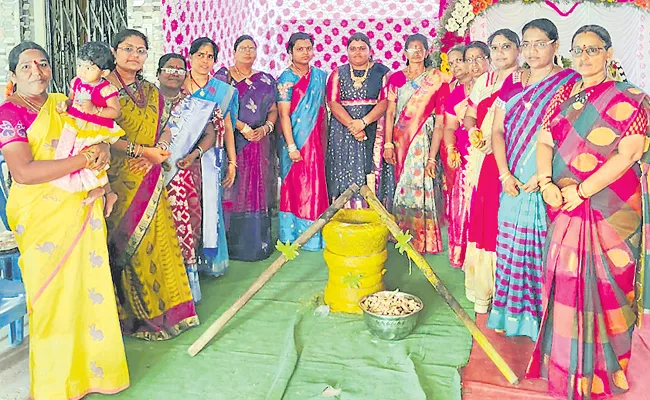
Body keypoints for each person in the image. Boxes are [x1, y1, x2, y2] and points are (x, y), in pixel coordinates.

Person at [0, 41, 129, 399]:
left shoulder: (65, 102)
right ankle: (55, 385)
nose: (37, 72)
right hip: (41, 215)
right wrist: (87, 160)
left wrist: (101, 153)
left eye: (42, 64)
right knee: (51, 300)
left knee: (88, 289)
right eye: (26, 67)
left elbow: (97, 132)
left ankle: (93, 375)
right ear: (13, 75)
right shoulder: (8, 113)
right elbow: (24, 172)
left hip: (81, 205)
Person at [528, 25, 649, 399]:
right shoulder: (563, 94)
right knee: (564, 280)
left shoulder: (632, 98)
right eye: (578, 50)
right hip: (564, 202)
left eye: (592, 50)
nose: (584, 57)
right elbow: (545, 140)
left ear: (609, 54)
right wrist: (547, 182)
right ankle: (567, 369)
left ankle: (610, 369)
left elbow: (628, 154)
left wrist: (582, 190)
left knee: (610, 285)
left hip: (610, 207)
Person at [488, 19, 580, 340]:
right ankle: (511, 316)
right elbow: (497, 130)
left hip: (547, 181)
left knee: (543, 247)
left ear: (555, 45)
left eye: (540, 43)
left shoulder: (570, 82)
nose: (531, 51)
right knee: (510, 245)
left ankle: (542, 320)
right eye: (526, 44)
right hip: (510, 178)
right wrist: (504, 173)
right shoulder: (513, 80)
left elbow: (572, 136)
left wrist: (544, 177)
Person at [105, 29, 199, 340]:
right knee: (130, 248)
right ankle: (135, 318)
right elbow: (100, 135)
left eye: (141, 50)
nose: (134, 55)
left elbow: (168, 127)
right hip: (119, 179)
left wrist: (156, 151)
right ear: (115, 51)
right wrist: (141, 152)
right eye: (128, 48)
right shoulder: (102, 90)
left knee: (158, 243)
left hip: (150, 174)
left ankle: (167, 313)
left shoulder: (151, 90)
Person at [171, 37, 238, 281]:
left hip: (210, 158)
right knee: (184, 209)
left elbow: (228, 127)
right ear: (190, 56)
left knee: (209, 205)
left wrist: (232, 162)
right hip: (178, 157)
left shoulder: (222, 90)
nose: (205, 60)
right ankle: (185, 263)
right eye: (200, 54)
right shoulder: (177, 84)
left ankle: (208, 261)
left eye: (210, 56)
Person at [463, 32, 520, 313]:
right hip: (483, 162)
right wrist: (474, 130)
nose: (499, 53)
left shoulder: (524, 80)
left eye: (505, 47)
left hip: (512, 161)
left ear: (518, 50)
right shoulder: (484, 81)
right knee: (484, 218)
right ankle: (484, 290)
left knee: (505, 220)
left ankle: (508, 292)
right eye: (495, 48)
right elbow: (469, 113)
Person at [383, 33, 450, 254]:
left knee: (423, 185)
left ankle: (424, 240)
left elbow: (441, 119)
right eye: (412, 48)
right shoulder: (395, 79)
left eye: (421, 47)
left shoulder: (437, 78)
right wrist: (388, 144)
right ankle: (403, 236)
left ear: (427, 51)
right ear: (405, 53)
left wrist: (432, 156)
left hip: (424, 138)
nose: (417, 52)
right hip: (400, 140)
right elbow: (390, 112)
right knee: (402, 186)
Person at [215, 35, 278, 262]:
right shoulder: (223, 77)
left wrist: (267, 128)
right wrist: (242, 127)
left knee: (257, 189)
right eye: (243, 48)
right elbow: (217, 108)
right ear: (233, 52)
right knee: (232, 188)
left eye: (252, 48)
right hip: (233, 141)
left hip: (259, 143)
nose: (248, 52)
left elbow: (273, 109)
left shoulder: (265, 80)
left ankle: (257, 244)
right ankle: (231, 245)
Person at [53, 41, 122, 215]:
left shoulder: (106, 89)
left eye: (89, 68)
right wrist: (66, 105)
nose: (82, 70)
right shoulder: (78, 82)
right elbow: (74, 100)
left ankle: (100, 189)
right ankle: (104, 191)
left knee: (89, 157)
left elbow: (115, 112)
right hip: (76, 123)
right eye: (80, 65)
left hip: (94, 127)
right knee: (67, 155)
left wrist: (95, 110)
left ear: (104, 72)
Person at [325, 32, 392, 209]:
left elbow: (385, 101)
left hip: (374, 127)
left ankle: (373, 217)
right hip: (343, 131)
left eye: (362, 48)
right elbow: (332, 102)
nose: (357, 53)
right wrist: (352, 126)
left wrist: (363, 122)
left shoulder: (382, 72)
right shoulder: (337, 73)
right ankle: (345, 216)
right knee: (344, 170)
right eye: (353, 49)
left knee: (371, 169)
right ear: (347, 51)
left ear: (370, 50)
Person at [276, 32, 329, 251]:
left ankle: (314, 236)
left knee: (315, 183)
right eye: (300, 49)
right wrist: (291, 146)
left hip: (317, 139)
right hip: (295, 140)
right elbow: (283, 115)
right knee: (294, 185)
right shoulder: (285, 80)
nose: (305, 52)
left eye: (308, 48)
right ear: (290, 52)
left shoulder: (319, 75)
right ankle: (292, 233)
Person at [443, 44, 483, 268]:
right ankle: (465, 258)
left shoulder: (490, 86)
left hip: (488, 155)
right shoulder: (456, 94)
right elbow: (449, 127)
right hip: (464, 158)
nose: (457, 66)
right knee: (462, 207)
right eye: (453, 63)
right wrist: (451, 149)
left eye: (461, 60)